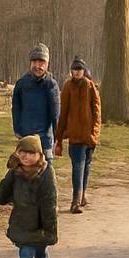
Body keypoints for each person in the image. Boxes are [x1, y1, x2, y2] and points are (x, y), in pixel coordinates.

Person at [0, 135, 59, 258]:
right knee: (28, 255)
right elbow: (2, 195)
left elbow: (50, 203)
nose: (25, 156)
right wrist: (10, 170)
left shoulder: (46, 173)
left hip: (40, 223)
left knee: (40, 254)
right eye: (22, 152)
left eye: (30, 153)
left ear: (39, 154)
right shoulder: (16, 172)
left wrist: (50, 230)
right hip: (22, 222)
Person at [54, 56, 101, 214]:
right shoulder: (67, 87)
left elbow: (97, 111)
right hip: (74, 135)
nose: (77, 72)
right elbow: (63, 112)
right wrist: (59, 138)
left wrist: (95, 133)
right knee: (78, 166)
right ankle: (75, 200)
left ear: (84, 71)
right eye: (74, 70)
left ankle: (82, 196)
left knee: (86, 165)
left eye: (79, 70)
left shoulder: (90, 86)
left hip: (88, 136)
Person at [12, 43, 60, 154]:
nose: (37, 66)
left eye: (41, 62)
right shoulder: (21, 84)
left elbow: (55, 115)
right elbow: (16, 109)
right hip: (25, 139)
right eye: (34, 62)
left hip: (44, 141)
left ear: (47, 64)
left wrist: (58, 139)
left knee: (46, 170)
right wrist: (17, 130)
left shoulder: (51, 85)